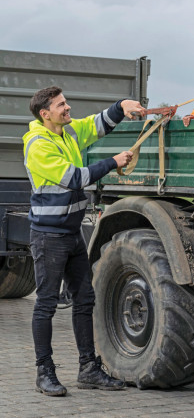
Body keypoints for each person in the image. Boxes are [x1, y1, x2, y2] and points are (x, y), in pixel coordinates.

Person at [23, 86, 146, 396]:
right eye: (61, 104)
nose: (68, 107)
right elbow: (74, 178)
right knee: (46, 304)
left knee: (85, 300)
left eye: (66, 102)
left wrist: (122, 105)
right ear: (45, 113)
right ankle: (44, 372)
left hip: (71, 233)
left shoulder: (68, 132)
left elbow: (97, 123)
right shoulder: (38, 145)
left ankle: (88, 369)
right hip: (49, 237)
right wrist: (113, 161)